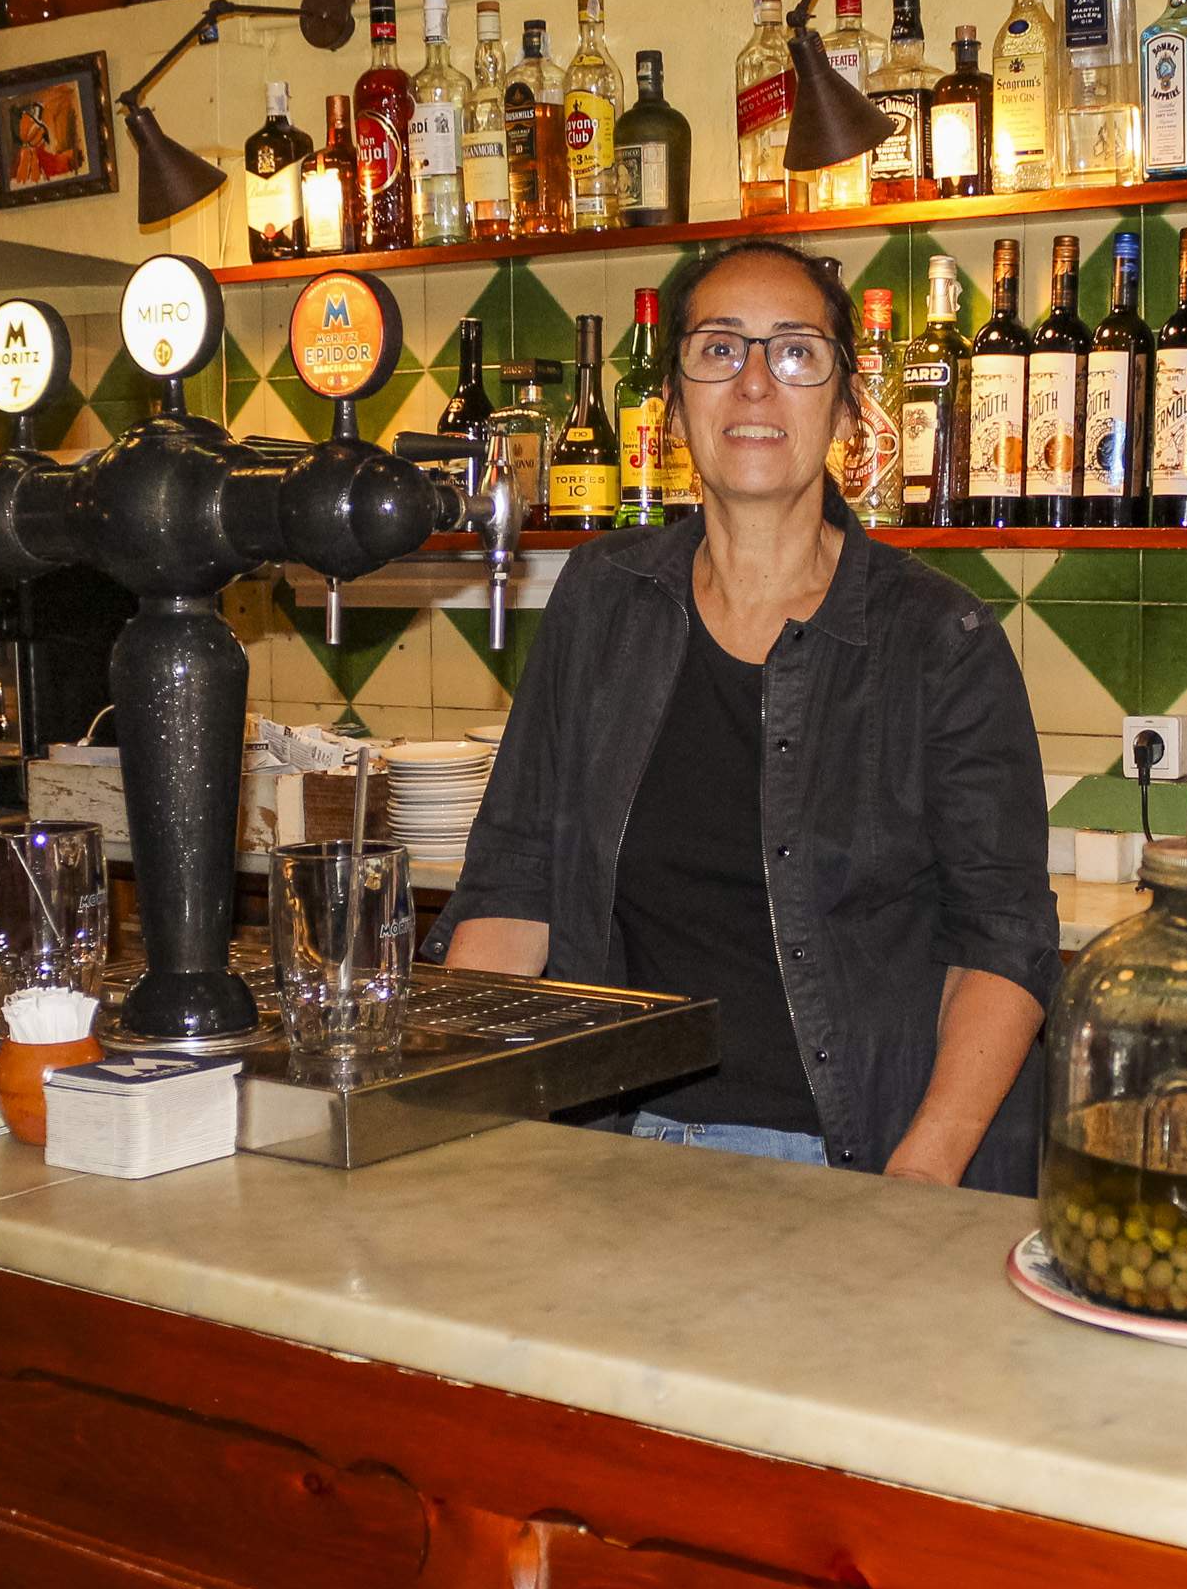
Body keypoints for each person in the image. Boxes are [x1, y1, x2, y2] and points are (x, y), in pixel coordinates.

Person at [432, 240, 1059, 1190]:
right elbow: (515, 884)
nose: (756, 384)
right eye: (720, 350)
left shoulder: (940, 640)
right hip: (613, 1148)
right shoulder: (603, 600)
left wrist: (916, 1183)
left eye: (797, 353)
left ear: (847, 405)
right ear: (676, 399)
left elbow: (1002, 942)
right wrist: (450, 1111)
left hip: (851, 1163)